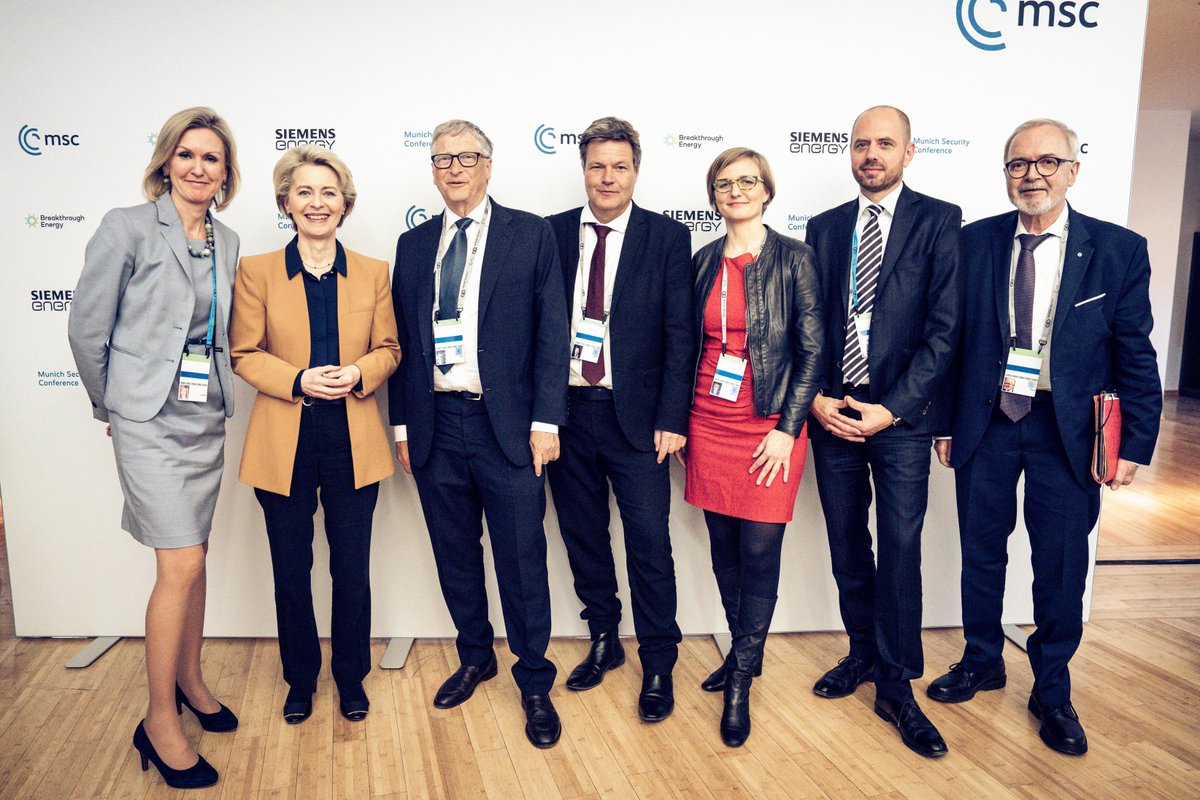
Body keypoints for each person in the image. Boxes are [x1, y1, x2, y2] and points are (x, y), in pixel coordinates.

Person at [928, 119, 1162, 756]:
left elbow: (1135, 353)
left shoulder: (1117, 249)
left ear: (1073, 171)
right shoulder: (973, 242)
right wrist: (945, 423)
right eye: (1018, 163)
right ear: (1005, 173)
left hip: (1068, 429)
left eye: (1047, 162)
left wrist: (1134, 444)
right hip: (987, 421)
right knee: (981, 550)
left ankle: (1052, 689)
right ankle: (981, 660)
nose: (1032, 174)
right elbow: (951, 344)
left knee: (1060, 563)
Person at [67, 107, 242, 790]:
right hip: (145, 418)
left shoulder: (227, 240)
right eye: (187, 154)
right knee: (180, 562)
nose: (198, 167)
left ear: (226, 173)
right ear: (166, 162)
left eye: (211, 158)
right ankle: (159, 718)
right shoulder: (127, 227)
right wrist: (110, 405)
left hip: (204, 417)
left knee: (195, 557)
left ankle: (191, 681)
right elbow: (87, 330)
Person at [387, 120, 569, 749]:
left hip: (509, 428)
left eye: (467, 157)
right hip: (436, 424)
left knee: (521, 558)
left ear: (488, 166)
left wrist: (546, 421)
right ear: (432, 171)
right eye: (443, 159)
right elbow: (403, 343)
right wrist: (403, 425)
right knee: (455, 553)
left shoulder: (530, 234)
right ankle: (475, 655)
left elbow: (552, 333)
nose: (455, 169)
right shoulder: (414, 245)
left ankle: (534, 679)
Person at [804, 106, 962, 758]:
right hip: (833, 413)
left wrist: (891, 409)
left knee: (898, 549)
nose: (871, 154)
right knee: (847, 544)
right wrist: (815, 399)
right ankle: (862, 652)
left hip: (900, 420)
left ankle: (897, 687)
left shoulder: (940, 220)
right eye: (861, 144)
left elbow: (944, 331)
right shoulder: (825, 227)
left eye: (885, 144)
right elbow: (809, 323)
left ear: (909, 152)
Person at [230, 146, 400, 726]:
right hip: (284, 441)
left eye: (329, 192)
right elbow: (243, 352)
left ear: (344, 204)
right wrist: (298, 379)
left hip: (353, 439)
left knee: (351, 570)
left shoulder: (374, 272)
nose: (317, 202)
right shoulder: (256, 271)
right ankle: (300, 680)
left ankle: (351, 678)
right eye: (304, 192)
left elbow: (390, 349)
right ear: (286, 203)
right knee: (290, 568)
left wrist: (360, 372)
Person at [545, 117, 694, 722]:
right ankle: (604, 638)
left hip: (638, 422)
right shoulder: (550, 233)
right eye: (597, 166)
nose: (608, 177)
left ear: (636, 170)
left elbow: (681, 335)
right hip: (566, 414)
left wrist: (673, 417)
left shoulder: (668, 237)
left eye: (619, 166)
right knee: (582, 536)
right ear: (583, 169)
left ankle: (658, 660)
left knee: (649, 543)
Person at [685, 147, 823, 747]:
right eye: (724, 183)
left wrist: (788, 429)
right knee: (723, 548)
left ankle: (740, 678)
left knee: (760, 550)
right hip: (707, 420)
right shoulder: (702, 260)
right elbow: (686, 344)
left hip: (769, 425)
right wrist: (680, 423)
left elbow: (814, 352)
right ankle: (745, 653)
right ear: (713, 195)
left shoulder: (795, 258)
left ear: (767, 190)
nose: (735, 191)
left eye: (747, 181)